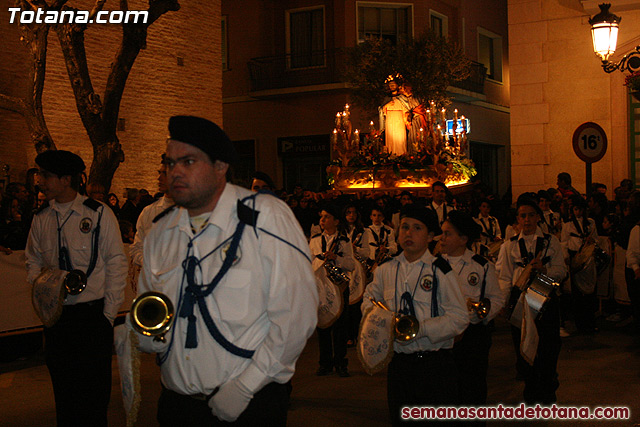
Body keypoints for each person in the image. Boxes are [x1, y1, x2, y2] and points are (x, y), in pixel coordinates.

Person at [133, 116, 318, 426]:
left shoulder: (265, 218)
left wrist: (245, 388)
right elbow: (149, 308)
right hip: (177, 404)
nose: (174, 172)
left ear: (220, 167)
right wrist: (147, 335)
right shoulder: (161, 231)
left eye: (188, 161)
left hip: (248, 404)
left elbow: (297, 316)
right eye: (170, 163)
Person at [24, 150, 127, 426]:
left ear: (66, 179)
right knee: (65, 397)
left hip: (92, 317)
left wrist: (107, 315)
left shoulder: (98, 214)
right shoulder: (42, 217)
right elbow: (32, 260)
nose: (39, 181)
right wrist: (42, 288)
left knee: (94, 400)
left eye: (44, 175)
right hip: (58, 321)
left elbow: (117, 262)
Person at [362, 205, 468, 426]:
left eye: (417, 228)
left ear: (430, 236)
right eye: (405, 227)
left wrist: (421, 329)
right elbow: (368, 302)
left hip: (435, 365)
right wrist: (383, 320)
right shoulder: (385, 270)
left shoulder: (441, 270)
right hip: (400, 366)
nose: (408, 233)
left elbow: (459, 317)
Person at [495, 197, 566, 404]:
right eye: (522, 216)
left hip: (546, 295)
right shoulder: (509, 246)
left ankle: (548, 390)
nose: (527, 220)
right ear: (517, 219)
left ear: (538, 217)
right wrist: (503, 303)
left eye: (531, 215)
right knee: (524, 346)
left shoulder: (551, 242)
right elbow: (504, 277)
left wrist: (545, 270)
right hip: (521, 300)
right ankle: (531, 392)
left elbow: (561, 271)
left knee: (549, 346)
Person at [440, 211, 506, 420]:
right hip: (443, 335)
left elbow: (496, 298)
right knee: (447, 389)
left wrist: (481, 314)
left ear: (463, 239)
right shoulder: (434, 265)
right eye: (442, 233)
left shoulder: (481, 265)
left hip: (473, 336)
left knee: (473, 388)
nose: (442, 238)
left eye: (447, 234)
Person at [310, 204, 354, 377]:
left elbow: (351, 265)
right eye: (321, 217)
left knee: (340, 326)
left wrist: (336, 258)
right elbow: (309, 262)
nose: (322, 220)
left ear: (336, 221)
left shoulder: (344, 241)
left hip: (339, 286)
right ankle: (325, 363)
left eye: (326, 217)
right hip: (321, 286)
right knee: (323, 325)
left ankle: (341, 363)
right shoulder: (314, 241)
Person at [561, 195, 598, 334]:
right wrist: (566, 258)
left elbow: (596, 239)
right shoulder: (567, 225)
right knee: (577, 295)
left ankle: (590, 322)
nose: (578, 212)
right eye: (576, 209)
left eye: (580, 209)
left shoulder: (591, 223)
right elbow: (564, 243)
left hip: (588, 260)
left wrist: (591, 242)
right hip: (575, 259)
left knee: (590, 293)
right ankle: (580, 324)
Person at [129, 155, 174, 268]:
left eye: (165, 174)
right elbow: (136, 248)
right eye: (159, 173)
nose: (159, 178)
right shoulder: (149, 212)